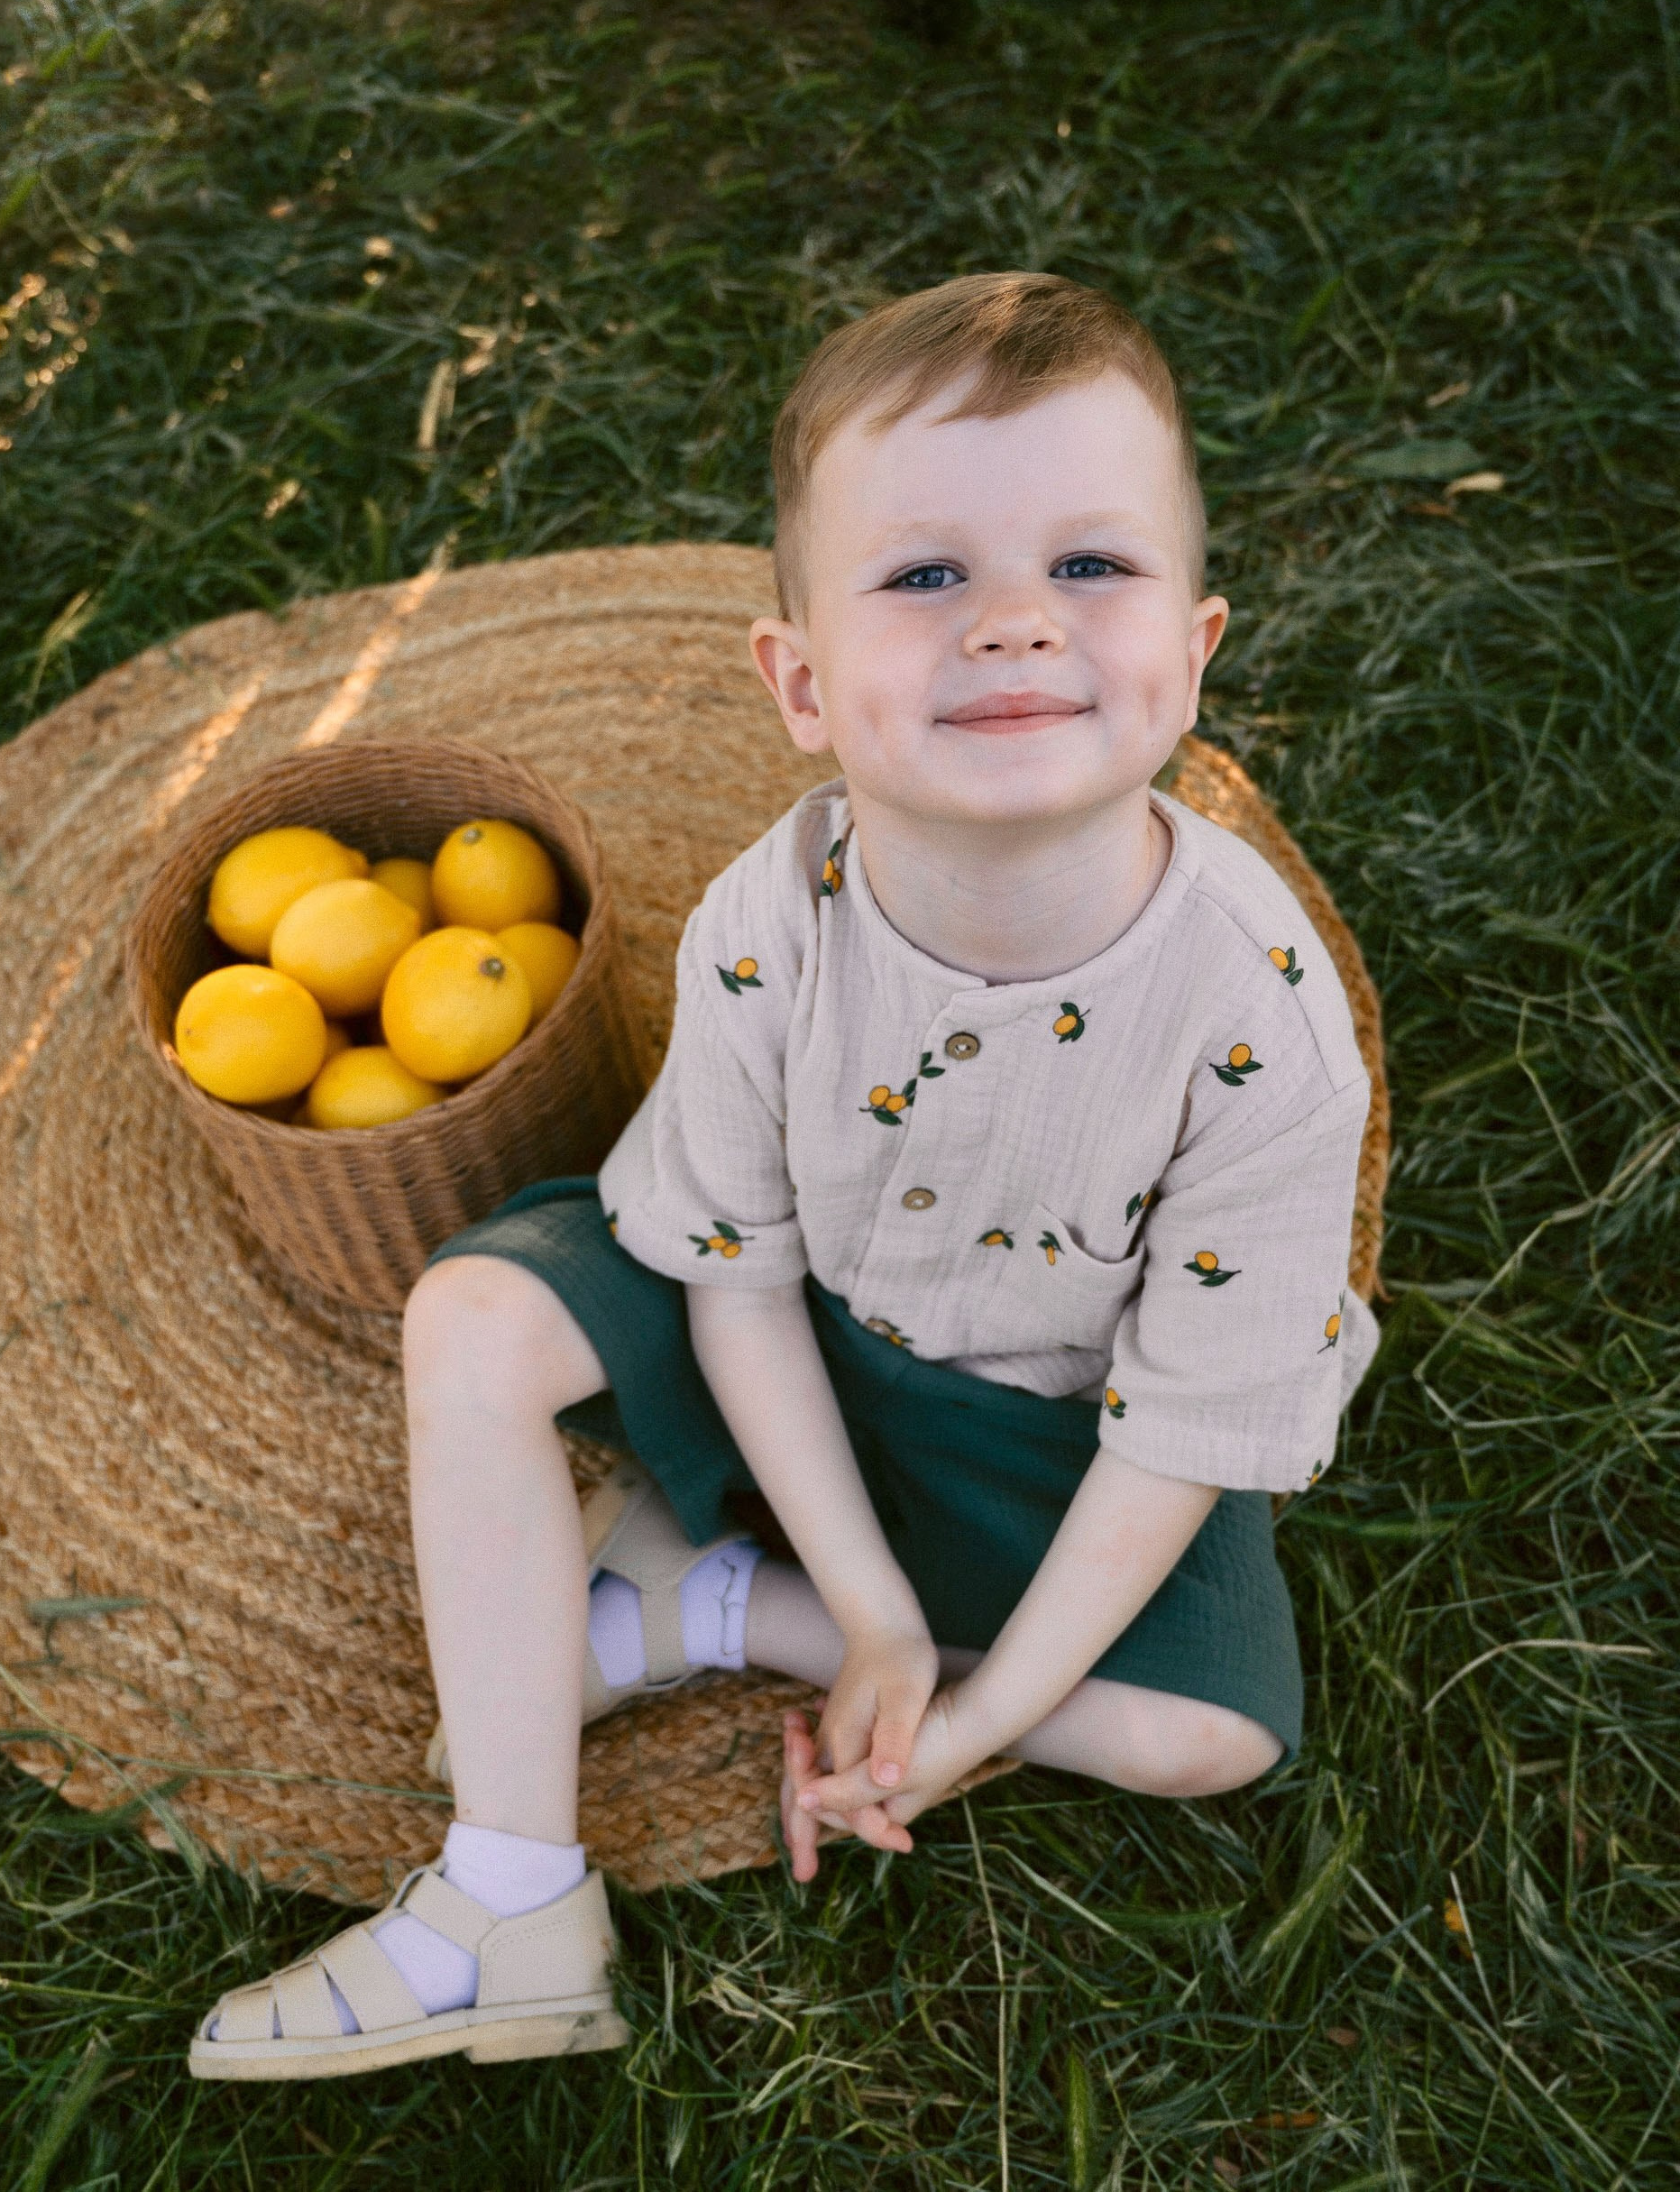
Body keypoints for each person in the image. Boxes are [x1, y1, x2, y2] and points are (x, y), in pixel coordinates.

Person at [188, 271, 1377, 2082]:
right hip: (788, 1329)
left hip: (1054, 1417)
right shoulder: (776, 916)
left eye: (1089, 566)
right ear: (803, 683)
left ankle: (700, 1604)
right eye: (925, 576)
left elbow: (1174, 1438)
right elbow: (732, 1265)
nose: (1010, 625)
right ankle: (511, 1899)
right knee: (481, 1316)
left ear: (1196, 649)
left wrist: (974, 1711)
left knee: (1207, 1736)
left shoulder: (1261, 1026)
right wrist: (889, 1610)